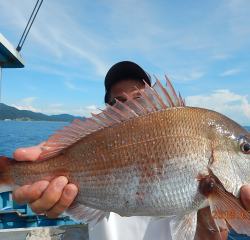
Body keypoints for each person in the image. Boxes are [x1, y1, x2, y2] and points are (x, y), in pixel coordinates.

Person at [12, 61, 250, 240]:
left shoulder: (213, 184)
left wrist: (221, 216)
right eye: (117, 103)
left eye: (138, 99)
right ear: (106, 112)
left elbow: (214, 235)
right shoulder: (90, 144)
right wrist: (45, 160)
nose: (129, 107)